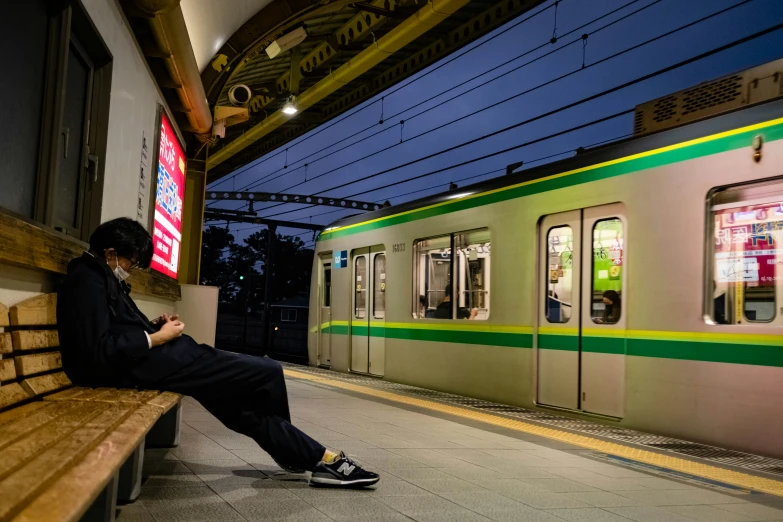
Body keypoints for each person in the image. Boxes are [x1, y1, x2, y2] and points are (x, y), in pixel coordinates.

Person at [56, 218, 379, 487]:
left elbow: (114, 329)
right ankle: (304, 453)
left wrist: (155, 326)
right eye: (131, 262)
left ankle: (313, 456)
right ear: (111, 253)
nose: (131, 269)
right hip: (140, 366)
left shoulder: (99, 276)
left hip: (153, 361)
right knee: (267, 371)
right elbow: (97, 351)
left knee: (240, 407)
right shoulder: (86, 280)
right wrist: (156, 339)